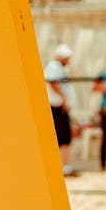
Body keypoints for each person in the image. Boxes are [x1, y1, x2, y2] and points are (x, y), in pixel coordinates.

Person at [44, 43, 77, 177]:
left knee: (64, 137)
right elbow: (53, 84)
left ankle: (65, 166)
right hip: (57, 107)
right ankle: (63, 167)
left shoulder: (59, 68)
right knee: (62, 137)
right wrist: (64, 99)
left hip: (60, 107)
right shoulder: (54, 67)